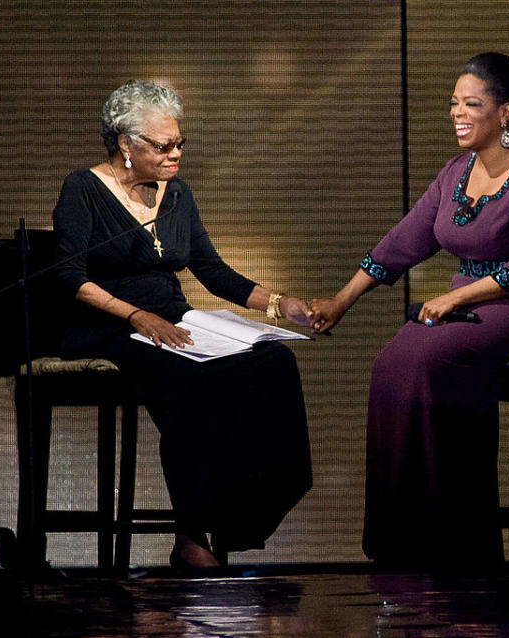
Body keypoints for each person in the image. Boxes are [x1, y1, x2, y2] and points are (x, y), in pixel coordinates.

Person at [310, 52, 509, 567]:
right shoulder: (455, 171)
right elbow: (402, 243)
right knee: (391, 364)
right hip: (470, 307)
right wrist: (342, 300)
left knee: (434, 358)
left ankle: (456, 541)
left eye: (471, 103)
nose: (457, 112)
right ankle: (401, 542)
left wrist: (455, 297)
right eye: (454, 102)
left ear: (505, 113)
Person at [52, 79, 313, 572]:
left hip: (173, 320)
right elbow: (71, 278)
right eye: (163, 145)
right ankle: (193, 531)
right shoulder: (82, 189)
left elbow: (211, 270)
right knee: (193, 378)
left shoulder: (177, 195)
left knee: (274, 361)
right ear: (126, 145)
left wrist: (281, 305)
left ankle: (247, 511)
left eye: (179, 144)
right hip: (110, 325)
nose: (175, 154)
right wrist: (135, 314)